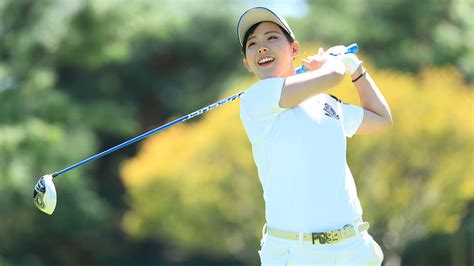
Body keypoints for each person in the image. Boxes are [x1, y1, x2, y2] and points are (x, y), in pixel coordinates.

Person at [237, 7, 392, 266]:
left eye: (272, 37)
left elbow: (381, 120)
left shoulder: (325, 103)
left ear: (294, 49)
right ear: (247, 63)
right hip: (295, 253)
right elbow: (332, 75)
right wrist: (334, 65)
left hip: (354, 249)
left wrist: (356, 69)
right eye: (252, 44)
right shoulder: (256, 99)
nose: (261, 47)